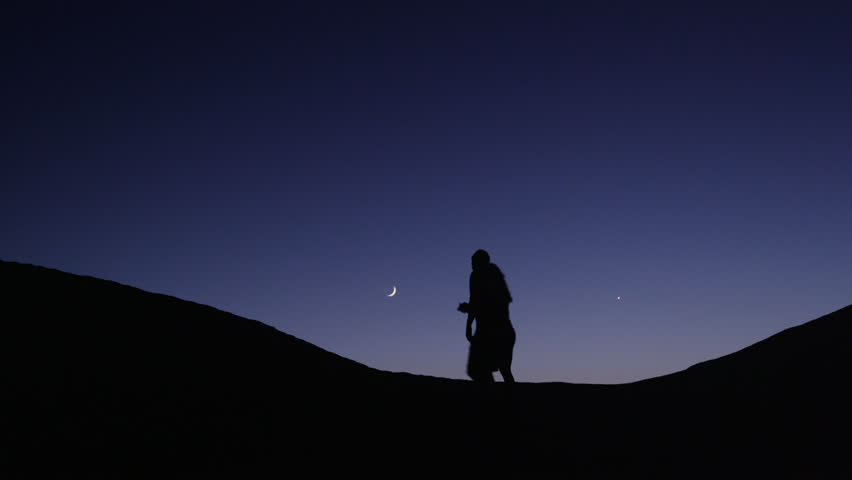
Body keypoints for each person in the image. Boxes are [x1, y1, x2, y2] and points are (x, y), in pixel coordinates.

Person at [458, 249, 516, 383]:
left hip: (490, 332)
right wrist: (469, 321)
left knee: (478, 369)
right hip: (503, 330)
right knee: (503, 369)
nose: (471, 265)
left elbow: (477, 302)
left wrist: (469, 321)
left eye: (473, 262)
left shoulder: (477, 275)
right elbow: (480, 302)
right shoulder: (495, 275)